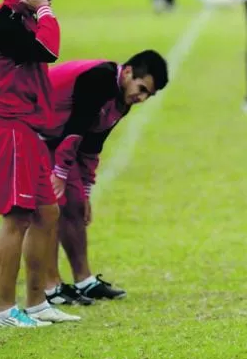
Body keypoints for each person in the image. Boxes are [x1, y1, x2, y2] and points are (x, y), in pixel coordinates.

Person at [0, 0, 79, 326]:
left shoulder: (21, 18)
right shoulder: (4, 22)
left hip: (27, 130)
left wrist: (37, 12)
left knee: (46, 213)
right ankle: (4, 310)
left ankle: (36, 303)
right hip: (7, 128)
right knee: (17, 218)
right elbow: (48, 50)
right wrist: (44, 12)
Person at [41, 51, 169, 305]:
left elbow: (92, 145)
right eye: (141, 88)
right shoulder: (99, 79)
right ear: (129, 72)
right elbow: (76, 128)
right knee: (52, 208)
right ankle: (50, 286)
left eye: (148, 95)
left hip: (59, 137)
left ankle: (84, 281)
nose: (141, 98)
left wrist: (86, 191)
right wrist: (60, 173)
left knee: (76, 203)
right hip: (36, 132)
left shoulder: (123, 99)